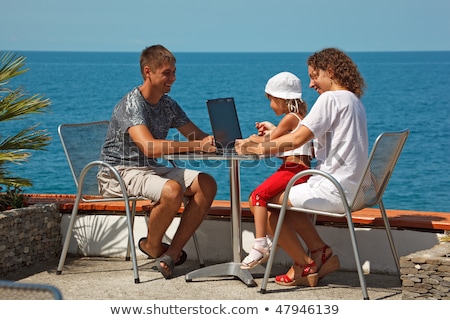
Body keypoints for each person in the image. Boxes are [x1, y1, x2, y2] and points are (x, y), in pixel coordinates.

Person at [235, 48, 368, 287]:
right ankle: (319, 252)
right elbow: (309, 139)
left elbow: (296, 140)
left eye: (314, 76)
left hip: (332, 188)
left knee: (264, 204)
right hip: (356, 188)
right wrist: (271, 133)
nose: (310, 84)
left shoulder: (330, 99)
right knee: (278, 199)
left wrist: (255, 149)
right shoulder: (353, 101)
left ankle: (303, 264)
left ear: (330, 71)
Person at [97, 44, 217, 279]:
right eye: (166, 73)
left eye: (173, 72)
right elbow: (150, 147)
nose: (172, 78)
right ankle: (152, 245)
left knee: (207, 183)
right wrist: (196, 145)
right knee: (172, 191)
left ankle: (171, 255)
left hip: (150, 169)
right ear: (147, 71)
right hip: (119, 171)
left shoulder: (168, 104)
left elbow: (197, 136)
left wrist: (231, 142)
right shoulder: (132, 104)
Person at [239, 72, 312, 270]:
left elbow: (269, 143)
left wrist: (248, 141)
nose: (270, 105)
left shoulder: (289, 118)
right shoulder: (298, 117)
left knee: (257, 196)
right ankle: (270, 239)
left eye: (271, 100)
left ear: (281, 99)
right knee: (263, 199)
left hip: (293, 169)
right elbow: (283, 137)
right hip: (298, 169)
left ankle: (260, 244)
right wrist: (271, 130)